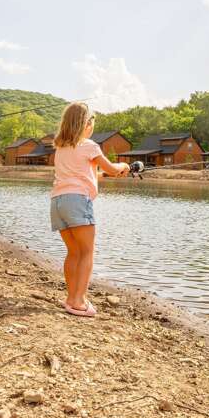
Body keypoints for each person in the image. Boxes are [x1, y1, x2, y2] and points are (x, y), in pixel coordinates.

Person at [50, 103, 130, 317]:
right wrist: (125, 166)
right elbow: (112, 169)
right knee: (87, 252)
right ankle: (79, 301)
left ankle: (70, 297)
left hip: (58, 202)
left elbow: (84, 173)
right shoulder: (90, 146)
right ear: (87, 123)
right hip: (78, 201)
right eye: (92, 121)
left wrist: (105, 174)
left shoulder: (61, 147)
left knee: (73, 251)